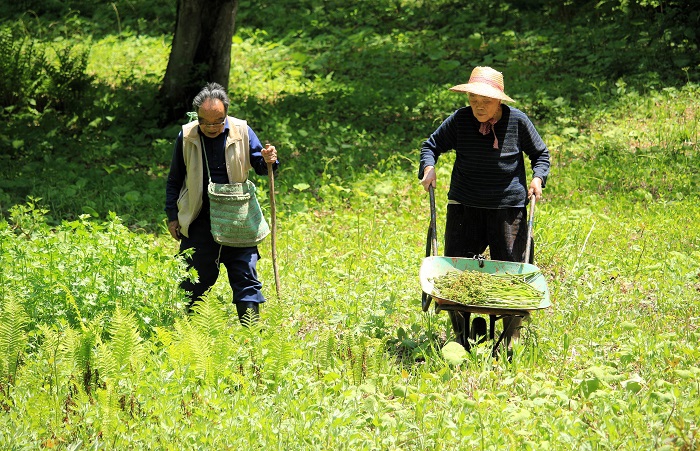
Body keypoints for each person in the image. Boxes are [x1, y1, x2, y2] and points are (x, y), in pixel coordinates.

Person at [418, 66, 550, 348]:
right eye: (474, 100)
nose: (478, 107)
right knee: (455, 271)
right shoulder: (460, 120)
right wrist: (428, 168)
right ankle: (462, 331)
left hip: (507, 208)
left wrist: (538, 178)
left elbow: (540, 154)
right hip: (465, 206)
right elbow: (431, 146)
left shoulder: (517, 121)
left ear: (499, 100)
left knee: (513, 271)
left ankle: (510, 334)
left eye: (485, 102)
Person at [165, 82, 278, 323]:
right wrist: (172, 216)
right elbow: (175, 178)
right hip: (199, 217)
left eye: (219, 121)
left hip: (238, 216)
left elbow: (261, 165)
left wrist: (269, 160)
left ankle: (252, 335)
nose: (213, 127)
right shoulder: (187, 136)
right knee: (194, 278)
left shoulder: (242, 130)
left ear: (226, 114)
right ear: (198, 117)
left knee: (245, 275)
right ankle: (193, 333)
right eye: (206, 123)